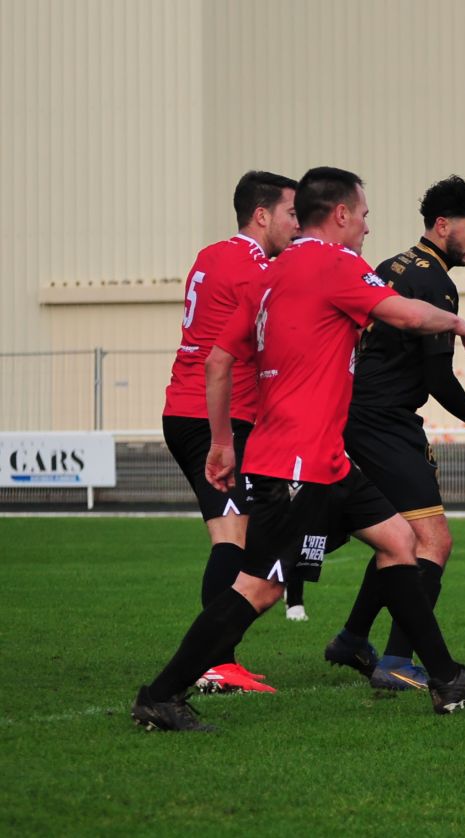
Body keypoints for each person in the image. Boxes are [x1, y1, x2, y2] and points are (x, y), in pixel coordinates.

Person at [128, 167, 465, 732]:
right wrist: (454, 320)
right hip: (296, 464)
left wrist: (223, 443)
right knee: (259, 588)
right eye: (365, 215)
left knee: (400, 540)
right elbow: (405, 313)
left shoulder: (270, 272)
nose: (367, 228)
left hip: (324, 457)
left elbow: (218, 361)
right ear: (341, 214)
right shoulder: (334, 263)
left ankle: (445, 679)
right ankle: (160, 695)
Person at [334, 176, 465, 692]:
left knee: (398, 536)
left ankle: (352, 639)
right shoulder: (436, 285)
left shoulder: (391, 266)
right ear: (443, 225)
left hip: (359, 415)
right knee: (434, 540)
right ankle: (397, 662)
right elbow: (437, 378)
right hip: (384, 422)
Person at [160, 171, 300, 695]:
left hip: (192, 409)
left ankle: (221, 659)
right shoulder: (253, 268)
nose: (298, 225)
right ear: (261, 215)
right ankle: (215, 663)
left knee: (240, 536)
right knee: (233, 538)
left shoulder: (212, 255)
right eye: (291, 213)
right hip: (213, 417)